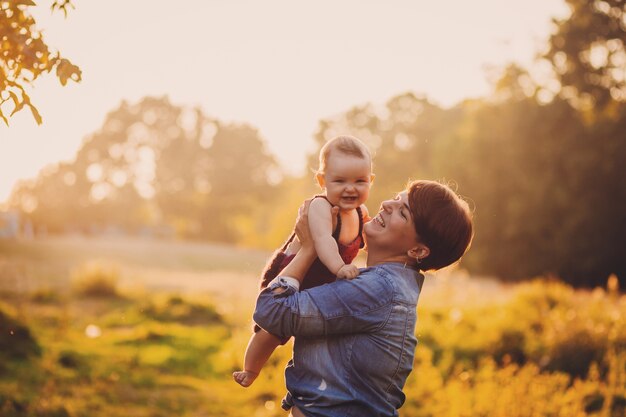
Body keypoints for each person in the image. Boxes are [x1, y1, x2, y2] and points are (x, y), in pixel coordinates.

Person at [253, 179, 473, 416]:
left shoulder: (378, 290)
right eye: (396, 198)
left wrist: (309, 247)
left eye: (403, 212)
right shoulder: (384, 286)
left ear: (418, 251)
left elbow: (272, 311)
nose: (388, 204)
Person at [233, 135, 375, 387]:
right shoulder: (321, 207)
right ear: (322, 181)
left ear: (371, 181)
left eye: (360, 181)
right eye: (340, 180)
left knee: (309, 329)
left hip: (323, 281)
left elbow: (367, 242)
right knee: (272, 331)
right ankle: (251, 370)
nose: (350, 188)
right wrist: (340, 267)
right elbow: (322, 240)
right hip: (293, 274)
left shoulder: (360, 213)